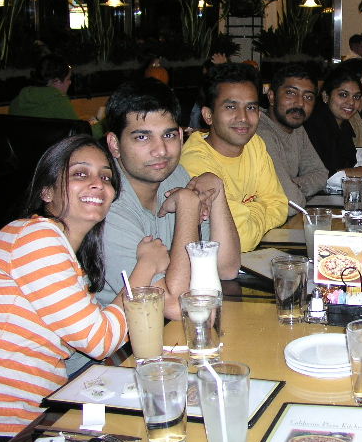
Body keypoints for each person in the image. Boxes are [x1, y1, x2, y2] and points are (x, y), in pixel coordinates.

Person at [0, 135, 168, 442]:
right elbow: (100, 340)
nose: (98, 183)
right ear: (46, 192)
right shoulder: (35, 237)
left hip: (29, 424)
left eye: (106, 177)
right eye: (80, 173)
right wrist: (146, 266)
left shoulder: (65, 255)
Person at [101, 78, 240, 317]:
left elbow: (226, 267)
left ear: (181, 136)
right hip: (125, 337)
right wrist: (187, 204)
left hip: (170, 330)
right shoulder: (106, 206)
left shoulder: (173, 174)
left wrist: (217, 188)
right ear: (114, 144)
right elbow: (175, 306)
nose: (161, 151)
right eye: (142, 137)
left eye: (169, 135)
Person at [180, 63, 288, 252]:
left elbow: (280, 206)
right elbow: (240, 238)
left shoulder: (254, 143)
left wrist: (249, 213)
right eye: (231, 107)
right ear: (208, 115)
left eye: (251, 107)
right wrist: (259, 207)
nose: (243, 117)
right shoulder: (195, 162)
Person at [256, 64, 329, 216]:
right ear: (272, 97)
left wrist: (293, 184)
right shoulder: (260, 133)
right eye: (291, 93)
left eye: (308, 97)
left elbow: (321, 174)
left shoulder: (297, 129)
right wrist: (292, 189)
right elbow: (290, 203)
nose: (300, 103)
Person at [304, 65, 362, 180]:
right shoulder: (314, 125)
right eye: (343, 95)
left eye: (356, 97)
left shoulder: (344, 126)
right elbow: (312, 175)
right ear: (326, 96)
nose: (351, 102)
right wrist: (349, 172)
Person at [9, 54, 104, 138]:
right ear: (56, 81)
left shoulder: (16, 102)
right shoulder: (58, 101)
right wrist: (103, 123)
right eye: (68, 79)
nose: (70, 82)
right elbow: (80, 136)